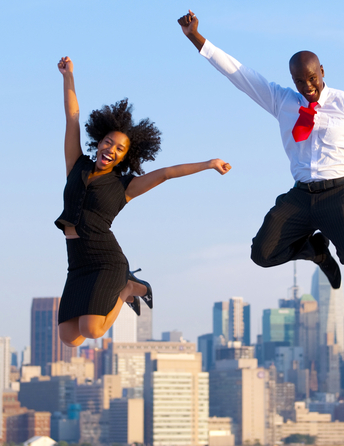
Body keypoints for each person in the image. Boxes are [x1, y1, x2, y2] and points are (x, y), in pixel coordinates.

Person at [177, 11, 344, 289]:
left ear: (322, 71)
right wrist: (195, 37)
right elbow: (237, 72)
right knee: (262, 254)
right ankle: (315, 251)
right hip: (301, 194)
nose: (307, 86)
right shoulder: (282, 100)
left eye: (312, 78)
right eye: (299, 81)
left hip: (341, 192)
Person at [55, 56, 231, 346]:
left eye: (119, 148)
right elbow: (72, 116)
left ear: (125, 157)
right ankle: (126, 287)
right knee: (69, 339)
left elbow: (166, 174)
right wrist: (68, 76)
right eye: (108, 142)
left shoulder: (124, 186)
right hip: (77, 261)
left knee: (92, 330)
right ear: (99, 142)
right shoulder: (76, 165)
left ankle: (126, 288)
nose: (111, 149)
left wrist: (209, 163)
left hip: (105, 260)